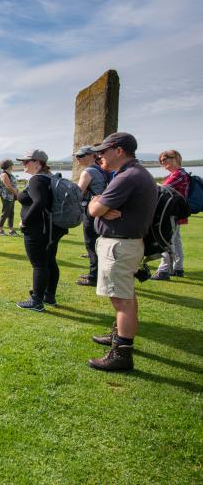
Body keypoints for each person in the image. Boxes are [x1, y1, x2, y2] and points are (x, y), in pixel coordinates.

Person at [87, 132, 157, 371]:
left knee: (121, 299)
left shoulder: (127, 177)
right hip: (126, 243)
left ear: (118, 151)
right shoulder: (135, 174)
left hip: (120, 245)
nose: (99, 156)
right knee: (125, 294)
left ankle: (122, 354)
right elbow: (98, 205)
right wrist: (99, 204)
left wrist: (97, 205)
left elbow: (94, 209)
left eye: (103, 151)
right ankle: (119, 335)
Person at [15, 149, 67, 311]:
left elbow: (39, 203)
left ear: (38, 163)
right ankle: (49, 295)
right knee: (49, 261)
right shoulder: (49, 178)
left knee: (39, 264)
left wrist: (25, 221)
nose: (23, 164)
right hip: (52, 228)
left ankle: (36, 301)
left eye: (26, 161)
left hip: (39, 229)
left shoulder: (37, 180)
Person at [151, 149, 191, 280]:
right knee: (175, 240)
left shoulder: (178, 175)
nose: (163, 163)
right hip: (175, 213)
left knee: (166, 240)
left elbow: (162, 189)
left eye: (165, 159)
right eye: (161, 161)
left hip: (171, 213)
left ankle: (163, 271)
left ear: (175, 158)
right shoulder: (179, 174)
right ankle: (177, 268)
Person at [74, 146, 109, 286]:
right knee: (98, 243)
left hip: (91, 209)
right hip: (102, 209)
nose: (77, 158)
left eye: (81, 155)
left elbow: (78, 193)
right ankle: (98, 274)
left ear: (91, 155)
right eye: (76, 156)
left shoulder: (87, 172)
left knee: (91, 244)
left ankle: (94, 277)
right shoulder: (100, 169)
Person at [0, 159, 19, 236]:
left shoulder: (9, 173)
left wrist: (16, 192)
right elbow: (8, 186)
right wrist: (17, 193)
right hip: (6, 197)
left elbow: (13, 185)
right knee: (5, 213)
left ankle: (11, 230)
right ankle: (0, 229)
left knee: (11, 213)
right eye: (12, 164)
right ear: (9, 166)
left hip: (11, 196)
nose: (13, 166)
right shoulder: (4, 174)